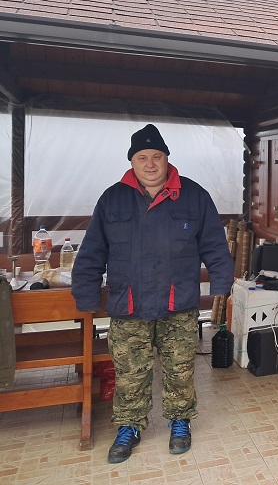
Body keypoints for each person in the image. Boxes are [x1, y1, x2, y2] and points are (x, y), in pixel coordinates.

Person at [71, 123, 234, 463]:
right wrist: (86, 296)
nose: (150, 163)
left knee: (180, 369)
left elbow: (215, 245)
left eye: (156, 156)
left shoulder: (193, 196)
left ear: (167, 159)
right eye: (142, 157)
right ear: (132, 162)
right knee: (130, 373)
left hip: (178, 303)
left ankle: (180, 421)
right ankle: (129, 427)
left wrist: (222, 284)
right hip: (128, 303)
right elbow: (92, 251)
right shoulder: (113, 199)